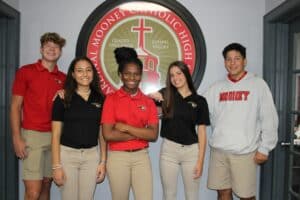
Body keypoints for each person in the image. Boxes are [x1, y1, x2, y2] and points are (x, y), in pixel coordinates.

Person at [203, 43, 278, 200]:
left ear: (245, 61)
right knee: (222, 193)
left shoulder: (258, 84)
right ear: (225, 62)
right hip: (219, 151)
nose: (232, 63)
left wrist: (265, 148)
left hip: (244, 152)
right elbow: (197, 106)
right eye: (228, 59)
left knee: (246, 196)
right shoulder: (217, 87)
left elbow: (269, 117)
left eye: (237, 58)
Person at [10, 32, 66, 200]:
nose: (52, 50)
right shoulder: (25, 72)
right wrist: (16, 137)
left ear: (60, 52)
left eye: (55, 47)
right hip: (32, 136)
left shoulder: (63, 78)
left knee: (46, 185)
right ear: (41, 50)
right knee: (33, 191)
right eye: (48, 46)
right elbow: (15, 106)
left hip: (55, 137)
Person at [101, 47, 159, 200]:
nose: (131, 77)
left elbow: (153, 135)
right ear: (120, 75)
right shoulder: (111, 99)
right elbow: (108, 135)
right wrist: (140, 134)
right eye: (127, 74)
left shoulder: (148, 102)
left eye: (136, 74)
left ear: (141, 76)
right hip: (118, 158)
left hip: (142, 158)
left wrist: (126, 128)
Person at [149, 61, 210, 200]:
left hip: (191, 153)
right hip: (169, 151)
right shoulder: (166, 94)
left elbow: (202, 132)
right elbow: (145, 102)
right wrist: (154, 99)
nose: (175, 78)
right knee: (169, 196)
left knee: (192, 196)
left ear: (186, 74)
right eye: (171, 75)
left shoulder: (200, 101)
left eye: (179, 73)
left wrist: (200, 161)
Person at [51, 56, 106, 200]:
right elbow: (55, 135)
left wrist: (103, 161)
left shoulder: (100, 99)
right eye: (79, 71)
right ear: (73, 74)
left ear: (93, 73)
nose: (85, 74)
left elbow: (102, 133)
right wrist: (56, 166)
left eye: (88, 70)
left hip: (91, 157)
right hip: (67, 156)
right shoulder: (63, 97)